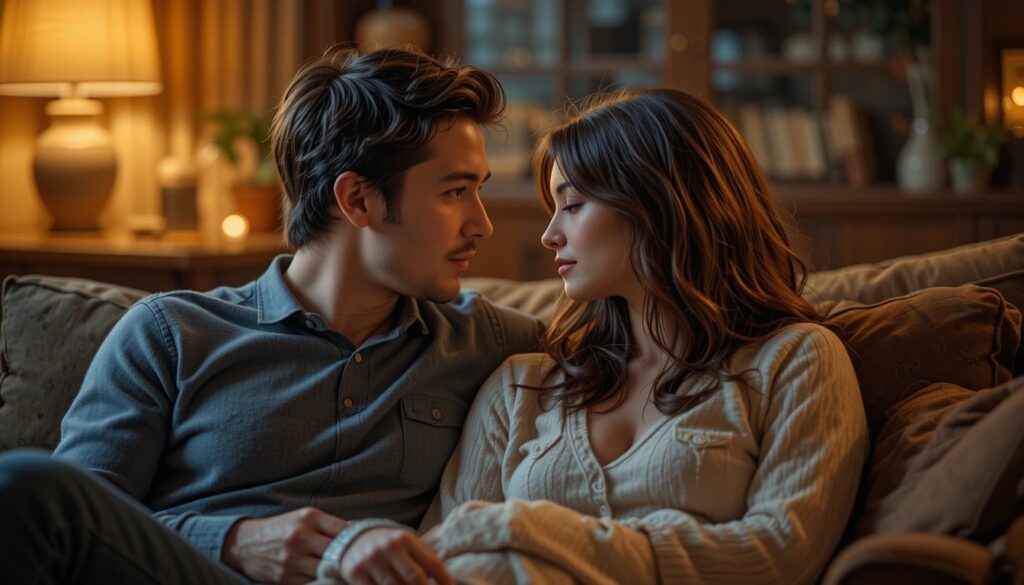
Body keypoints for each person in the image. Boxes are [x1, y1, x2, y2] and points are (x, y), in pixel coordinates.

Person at [0, 47, 543, 584]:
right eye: (455, 192)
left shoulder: (482, 336)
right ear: (357, 200)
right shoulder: (170, 333)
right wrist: (233, 540)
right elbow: (76, 524)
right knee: (23, 485)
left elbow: (623, 340)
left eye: (479, 191)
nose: (482, 224)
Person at [415, 88, 869, 585]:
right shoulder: (521, 387)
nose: (549, 235)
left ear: (661, 203)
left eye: (573, 205)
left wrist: (528, 528)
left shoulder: (795, 361)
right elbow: (438, 556)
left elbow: (781, 553)